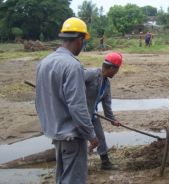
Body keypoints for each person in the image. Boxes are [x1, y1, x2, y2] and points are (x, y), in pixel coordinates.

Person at [35, 17, 99, 184]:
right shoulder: (72, 65)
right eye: (83, 41)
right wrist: (91, 134)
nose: (83, 46)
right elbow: (77, 106)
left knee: (62, 178)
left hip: (56, 133)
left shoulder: (44, 63)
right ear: (79, 40)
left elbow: (40, 101)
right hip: (72, 136)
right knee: (73, 180)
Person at [84, 52, 122, 170]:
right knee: (79, 139)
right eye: (117, 70)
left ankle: (105, 163)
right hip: (79, 114)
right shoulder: (91, 74)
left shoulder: (106, 84)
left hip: (92, 114)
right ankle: (79, 164)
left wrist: (112, 120)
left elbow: (107, 105)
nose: (116, 73)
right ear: (111, 68)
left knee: (100, 137)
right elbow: (71, 84)